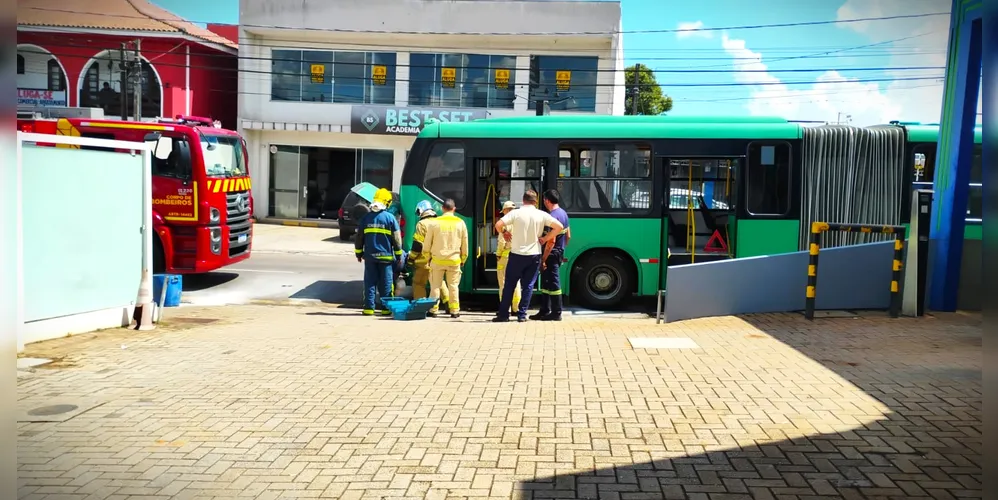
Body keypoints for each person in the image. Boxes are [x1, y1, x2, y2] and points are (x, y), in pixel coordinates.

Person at [492, 189, 564, 323]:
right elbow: (559, 227)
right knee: (528, 286)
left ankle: (503, 315)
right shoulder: (542, 215)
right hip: (534, 256)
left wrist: (505, 232)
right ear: (535, 202)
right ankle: (522, 314)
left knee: (509, 285)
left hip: (516, 255)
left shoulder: (515, 213)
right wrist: (545, 238)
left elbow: (498, 225)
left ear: (523, 200)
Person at [354, 188, 403, 316]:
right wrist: (398, 255)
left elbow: (359, 237)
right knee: (386, 284)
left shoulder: (366, 218)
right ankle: (386, 309)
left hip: (370, 257)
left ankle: (369, 309)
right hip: (386, 258)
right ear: (386, 203)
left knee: (370, 283)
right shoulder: (390, 218)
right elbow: (397, 239)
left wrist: (358, 253)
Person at [421, 198, 468, 318]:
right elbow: (465, 243)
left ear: (442, 208)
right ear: (454, 209)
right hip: (454, 260)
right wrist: (463, 258)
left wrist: (427, 257)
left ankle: (433, 310)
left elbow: (427, 244)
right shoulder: (460, 223)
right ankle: (455, 311)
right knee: (453, 286)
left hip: (437, 260)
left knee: (435, 286)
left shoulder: (434, 223)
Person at [532, 189, 571, 321]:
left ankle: (556, 313)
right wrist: (562, 249)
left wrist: (543, 259)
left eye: (544, 200)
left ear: (547, 201)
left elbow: (551, 241)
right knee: (547, 283)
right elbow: (568, 236)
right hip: (558, 252)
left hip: (551, 254)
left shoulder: (552, 217)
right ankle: (544, 310)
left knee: (553, 283)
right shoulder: (564, 214)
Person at [407, 199, 450, 308]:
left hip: (424, 261)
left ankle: (421, 307)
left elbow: (417, 245)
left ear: (421, 210)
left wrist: (411, 259)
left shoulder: (421, 224)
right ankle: (449, 304)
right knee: (439, 282)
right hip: (439, 259)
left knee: (418, 283)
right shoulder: (439, 222)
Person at [495, 200, 522, 312]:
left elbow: (502, 242)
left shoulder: (504, 224)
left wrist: (498, 254)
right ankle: (516, 308)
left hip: (505, 257)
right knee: (517, 283)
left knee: (503, 283)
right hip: (518, 255)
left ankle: (505, 308)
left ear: (505, 211)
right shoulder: (520, 223)